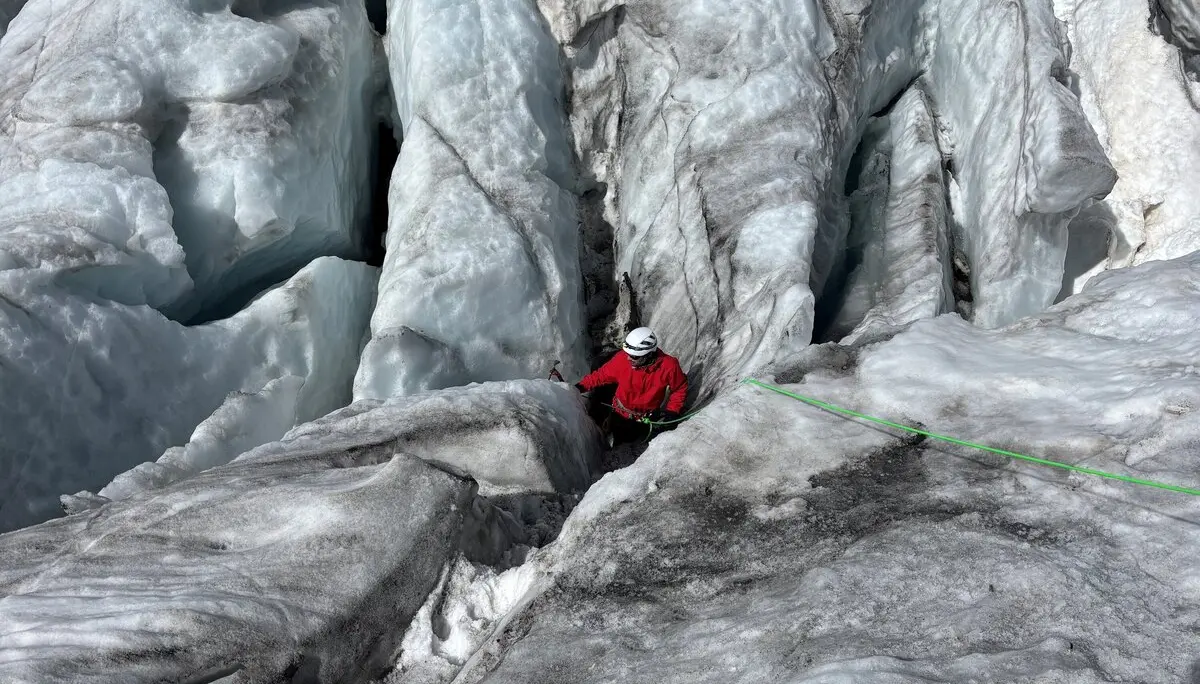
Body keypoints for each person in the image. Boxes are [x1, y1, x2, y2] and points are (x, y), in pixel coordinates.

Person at [574, 327, 689, 445]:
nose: (628, 358)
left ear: (648, 355)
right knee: (621, 437)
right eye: (628, 353)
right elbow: (601, 376)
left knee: (632, 439)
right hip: (620, 412)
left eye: (634, 356)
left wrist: (672, 411)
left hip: (646, 417)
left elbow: (679, 388)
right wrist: (578, 387)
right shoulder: (622, 359)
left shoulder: (669, 366)